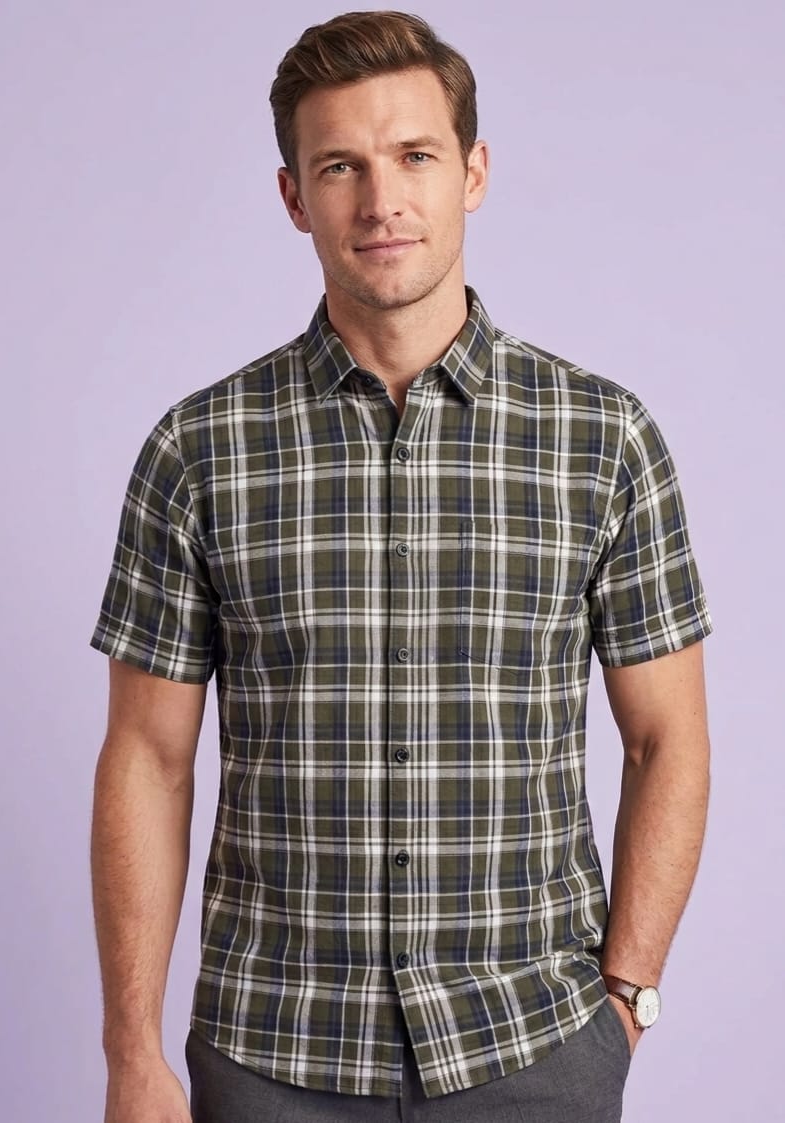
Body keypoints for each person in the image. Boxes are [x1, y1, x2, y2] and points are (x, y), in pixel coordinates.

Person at [90, 11, 712, 1123]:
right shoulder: (199, 450)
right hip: (270, 1053)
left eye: (414, 155)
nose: (381, 200)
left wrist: (625, 995)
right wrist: (131, 1051)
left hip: (533, 1049)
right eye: (341, 166)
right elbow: (147, 757)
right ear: (294, 197)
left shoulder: (601, 438)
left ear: (472, 172)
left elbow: (667, 738)